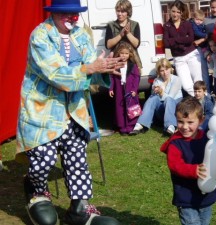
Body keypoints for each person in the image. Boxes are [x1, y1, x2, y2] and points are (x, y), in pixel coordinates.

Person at [15, 1, 123, 225]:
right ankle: (36, 191)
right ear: (54, 13)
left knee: (77, 159)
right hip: (43, 112)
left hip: (74, 111)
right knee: (42, 160)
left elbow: (90, 68)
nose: (73, 19)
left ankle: (79, 209)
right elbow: (55, 74)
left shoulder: (81, 35)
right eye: (67, 14)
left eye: (76, 14)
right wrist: (90, 69)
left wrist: (106, 68)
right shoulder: (40, 36)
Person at [160, 97, 216, 225]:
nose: (185, 127)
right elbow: (175, 165)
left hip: (205, 194)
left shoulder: (206, 139)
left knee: (205, 221)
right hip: (186, 195)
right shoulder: (175, 143)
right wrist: (193, 170)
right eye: (180, 122)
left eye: (190, 122)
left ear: (201, 121)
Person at [130, 58, 183, 135]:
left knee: (168, 99)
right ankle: (140, 124)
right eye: (162, 70)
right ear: (159, 72)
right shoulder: (157, 80)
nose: (165, 73)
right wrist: (155, 91)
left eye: (166, 69)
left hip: (173, 110)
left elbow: (171, 97)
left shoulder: (176, 79)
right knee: (153, 98)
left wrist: (161, 93)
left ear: (170, 68)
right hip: (162, 110)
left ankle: (171, 126)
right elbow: (153, 99)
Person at [163, 0, 202, 96]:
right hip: (178, 58)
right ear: (170, 11)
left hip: (192, 54)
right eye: (173, 11)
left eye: (178, 12)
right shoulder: (167, 26)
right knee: (186, 85)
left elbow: (191, 39)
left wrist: (174, 40)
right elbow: (166, 43)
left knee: (198, 81)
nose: (175, 14)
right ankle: (197, 100)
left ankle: (204, 102)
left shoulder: (187, 23)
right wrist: (182, 39)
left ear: (181, 13)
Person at [109, 42, 140, 135]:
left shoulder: (133, 66)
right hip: (119, 90)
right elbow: (112, 77)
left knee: (131, 108)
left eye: (126, 53)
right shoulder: (116, 65)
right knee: (120, 108)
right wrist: (111, 88)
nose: (124, 55)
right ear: (118, 53)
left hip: (130, 91)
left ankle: (131, 126)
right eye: (122, 53)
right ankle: (122, 127)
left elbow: (136, 78)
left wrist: (134, 90)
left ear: (130, 54)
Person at [105, 0, 142, 68]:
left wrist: (128, 33)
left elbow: (136, 44)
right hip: (116, 61)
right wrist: (120, 35)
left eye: (122, 11)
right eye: (118, 11)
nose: (119, 14)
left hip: (132, 60)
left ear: (128, 12)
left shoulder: (135, 24)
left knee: (133, 77)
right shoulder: (111, 25)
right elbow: (108, 45)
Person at [189, 9, 211, 94]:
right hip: (197, 48)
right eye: (197, 19)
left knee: (204, 70)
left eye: (201, 20)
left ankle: (207, 92)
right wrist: (205, 36)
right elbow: (196, 32)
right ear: (193, 18)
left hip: (202, 47)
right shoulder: (192, 24)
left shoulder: (201, 25)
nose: (199, 22)